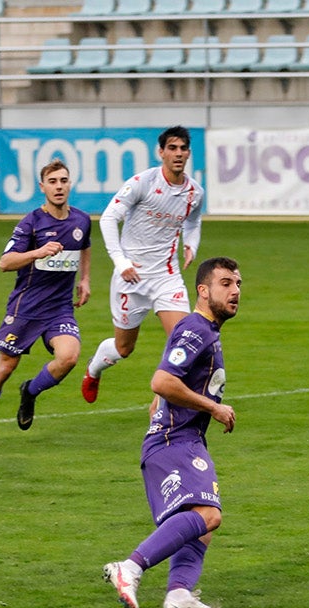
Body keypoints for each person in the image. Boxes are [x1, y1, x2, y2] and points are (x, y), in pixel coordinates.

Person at [103, 256, 242, 608]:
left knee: (203, 527)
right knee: (209, 515)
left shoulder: (204, 330)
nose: (235, 291)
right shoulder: (195, 329)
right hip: (174, 441)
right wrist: (212, 408)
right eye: (225, 283)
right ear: (203, 290)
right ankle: (129, 567)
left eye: (238, 284)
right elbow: (161, 382)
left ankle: (179, 594)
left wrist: (165, 413)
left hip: (182, 439)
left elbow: (161, 392)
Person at [0, 159, 92, 445]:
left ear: (69, 183)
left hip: (60, 309)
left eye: (63, 180)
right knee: (4, 367)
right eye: (53, 182)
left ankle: (30, 392)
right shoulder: (31, 223)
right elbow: (4, 262)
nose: (58, 186)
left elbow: (85, 246)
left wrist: (85, 279)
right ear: (42, 187)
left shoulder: (81, 220)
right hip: (27, 308)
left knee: (69, 357)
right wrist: (37, 252)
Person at [81, 125, 204, 405]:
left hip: (167, 276)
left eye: (183, 148)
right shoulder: (142, 182)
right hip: (131, 277)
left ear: (188, 153)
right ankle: (94, 368)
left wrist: (191, 244)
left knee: (184, 343)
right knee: (124, 348)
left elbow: (194, 220)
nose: (178, 153)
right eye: (172, 148)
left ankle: (162, 408)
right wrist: (121, 261)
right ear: (160, 152)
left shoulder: (195, 192)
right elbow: (108, 218)